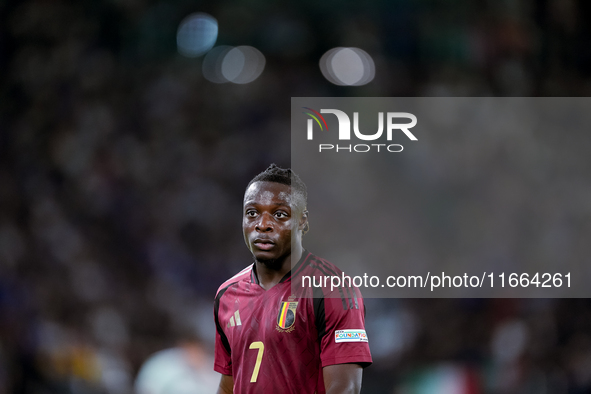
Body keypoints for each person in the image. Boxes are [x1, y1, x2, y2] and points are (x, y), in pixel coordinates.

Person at [213, 164, 372, 394]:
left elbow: (344, 388)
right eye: (252, 213)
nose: (263, 224)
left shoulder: (331, 289)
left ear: (302, 221)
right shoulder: (227, 295)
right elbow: (228, 386)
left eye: (279, 214)